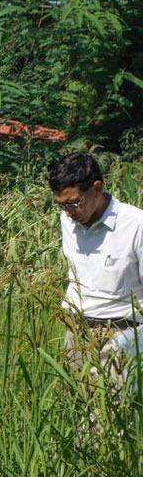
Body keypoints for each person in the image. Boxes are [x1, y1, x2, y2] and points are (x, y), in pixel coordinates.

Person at [48, 152, 143, 379]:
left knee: (116, 401)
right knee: (74, 399)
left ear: (97, 188)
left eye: (74, 203)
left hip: (122, 335)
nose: (68, 213)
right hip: (75, 331)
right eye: (61, 205)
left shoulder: (135, 225)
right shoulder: (68, 220)